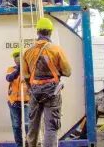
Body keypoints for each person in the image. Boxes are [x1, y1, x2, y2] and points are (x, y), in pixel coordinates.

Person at [22, 18, 72, 147]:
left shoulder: (28, 52)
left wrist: (31, 88)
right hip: (52, 92)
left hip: (34, 91)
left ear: (38, 32)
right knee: (51, 127)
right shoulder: (56, 50)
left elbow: (26, 75)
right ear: (50, 33)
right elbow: (67, 72)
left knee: (33, 125)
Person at [6, 48, 30, 147]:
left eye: (18, 57)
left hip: (27, 102)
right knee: (16, 125)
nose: (16, 59)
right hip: (13, 103)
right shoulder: (11, 69)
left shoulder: (29, 69)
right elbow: (9, 78)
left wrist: (23, 70)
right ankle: (19, 145)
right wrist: (18, 70)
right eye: (15, 57)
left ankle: (29, 143)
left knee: (27, 125)